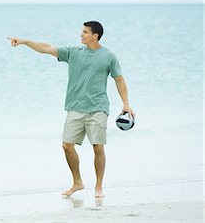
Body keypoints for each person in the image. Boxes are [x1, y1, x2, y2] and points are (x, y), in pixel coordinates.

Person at [8, 21, 135, 198]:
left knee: (98, 147)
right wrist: (24, 41)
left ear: (95, 35)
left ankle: (99, 187)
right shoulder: (74, 52)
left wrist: (126, 104)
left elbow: (119, 79)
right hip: (75, 107)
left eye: (84, 32)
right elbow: (46, 48)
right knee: (67, 146)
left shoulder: (108, 56)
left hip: (98, 107)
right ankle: (77, 182)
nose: (81, 34)